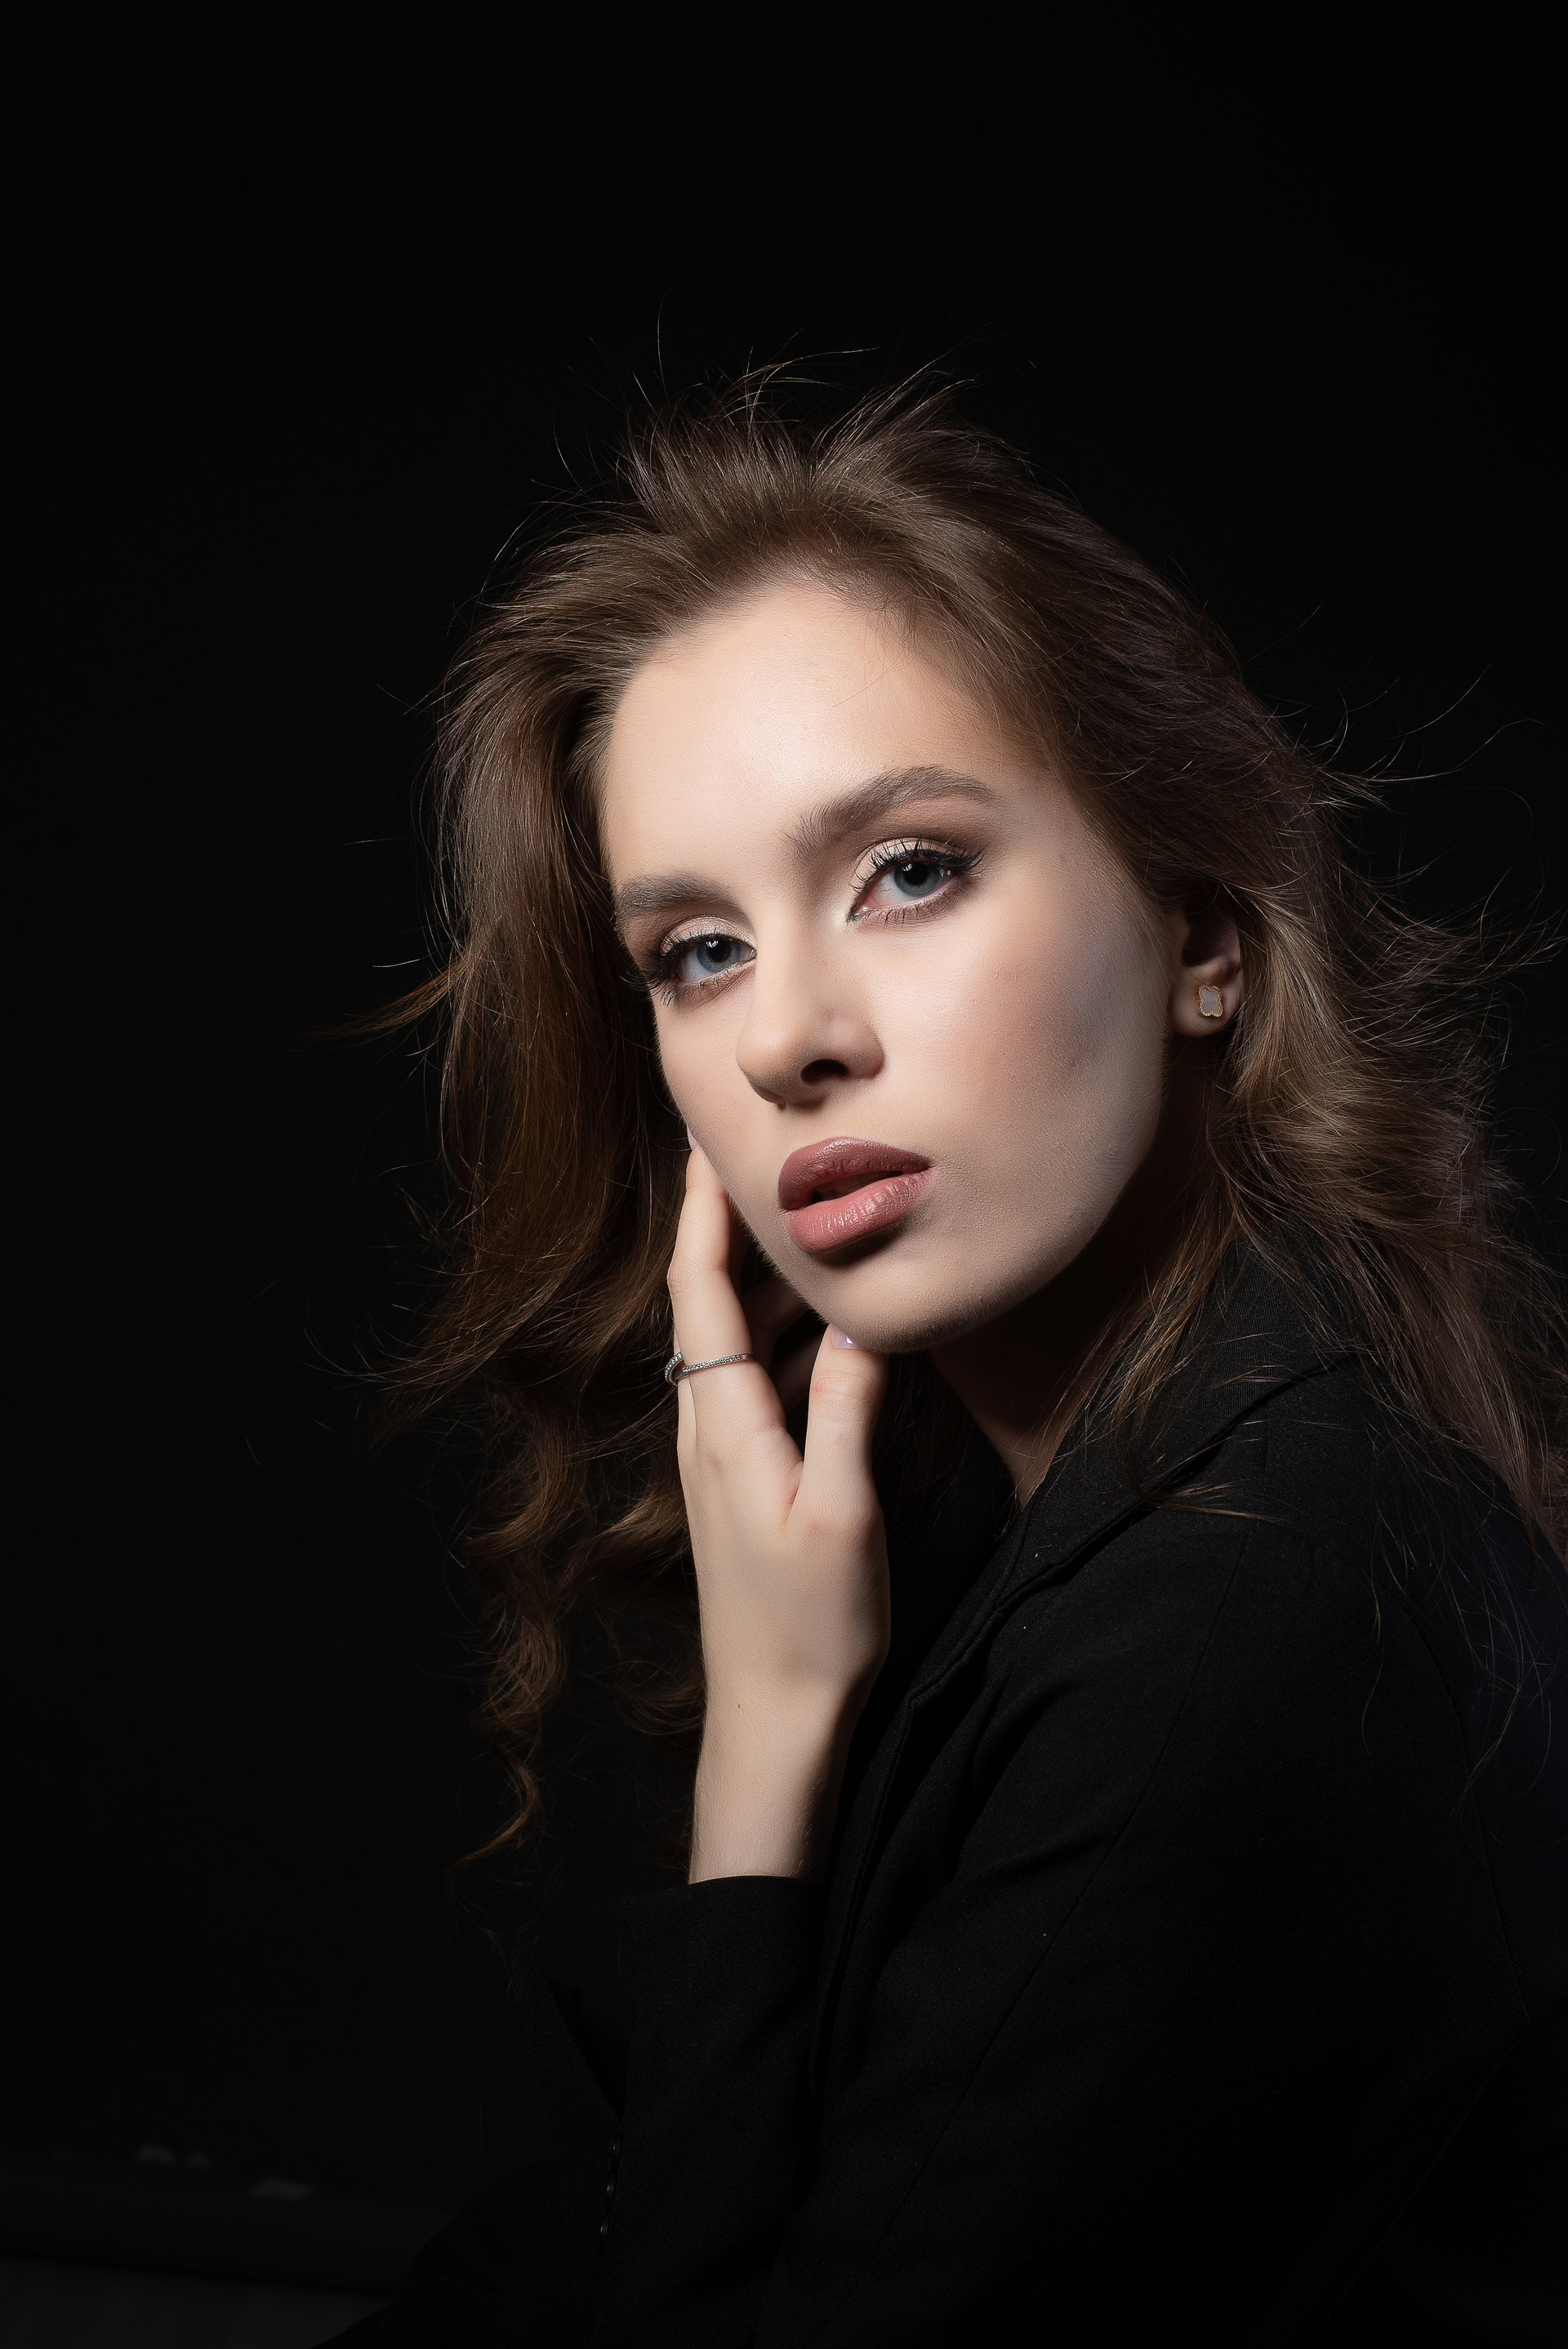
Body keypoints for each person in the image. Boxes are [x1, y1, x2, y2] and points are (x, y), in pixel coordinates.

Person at [336, 382, 1566, 2345]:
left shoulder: (1256, 1605)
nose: (785, 1039)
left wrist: (766, 1756)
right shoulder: (975, 1504)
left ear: (1200, 931)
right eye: (698, 950)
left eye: (908, 869)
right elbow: (593, 2226)